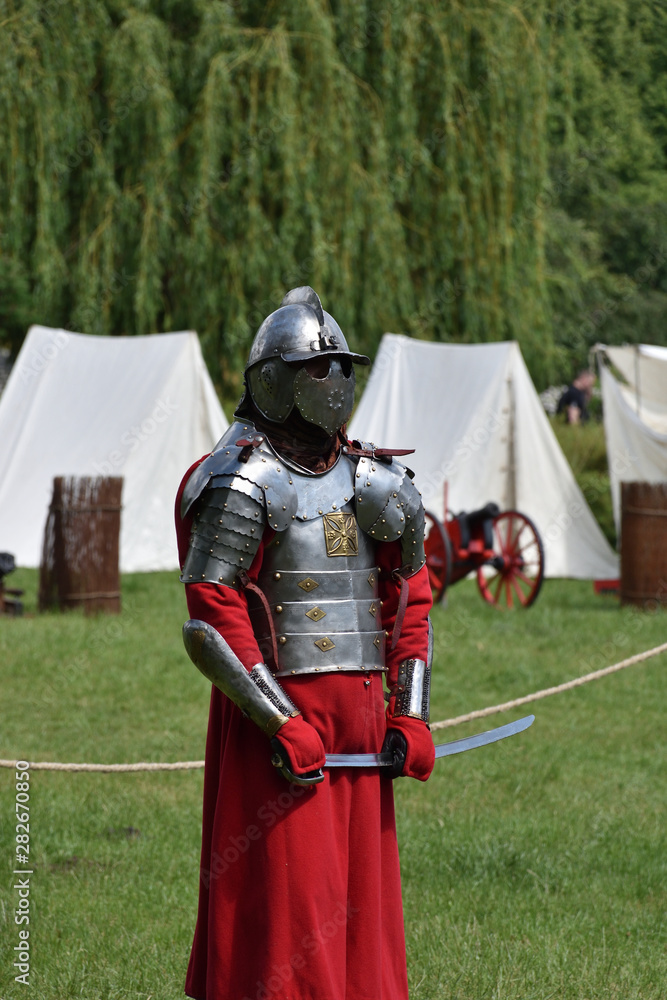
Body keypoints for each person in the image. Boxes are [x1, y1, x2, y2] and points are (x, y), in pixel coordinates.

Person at [175, 286, 435, 1000]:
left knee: (358, 910)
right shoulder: (242, 480)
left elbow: (410, 601)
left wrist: (410, 714)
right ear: (273, 380)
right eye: (316, 369)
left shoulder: (374, 481)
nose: (334, 382)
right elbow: (211, 614)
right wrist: (281, 721)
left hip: (361, 725)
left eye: (341, 368)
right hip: (280, 728)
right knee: (291, 908)